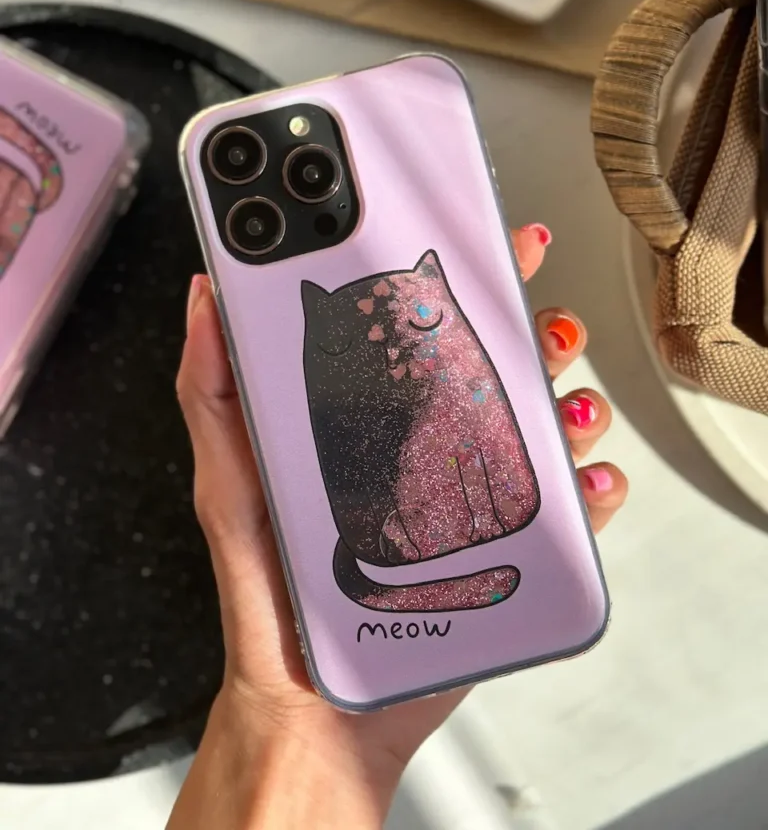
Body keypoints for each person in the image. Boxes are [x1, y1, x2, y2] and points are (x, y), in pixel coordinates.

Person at [168, 224, 628, 830]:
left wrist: (288, 730)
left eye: (421, 317)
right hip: (383, 548)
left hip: (413, 543)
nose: (393, 353)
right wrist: (288, 721)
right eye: (343, 344)